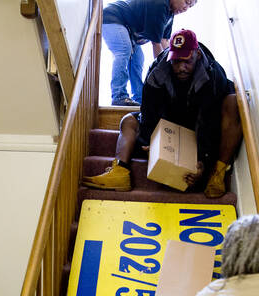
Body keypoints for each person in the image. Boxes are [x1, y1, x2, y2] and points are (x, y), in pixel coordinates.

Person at [84, 28, 242, 198]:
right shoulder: (157, 71)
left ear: (197, 54)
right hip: (171, 126)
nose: (181, 67)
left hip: (202, 130)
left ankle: (217, 174)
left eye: (187, 61)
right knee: (128, 121)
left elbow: (209, 124)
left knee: (232, 102)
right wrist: (153, 143)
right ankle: (120, 171)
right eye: (176, 61)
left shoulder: (214, 74)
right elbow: (148, 113)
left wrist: (203, 162)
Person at [102, 0, 197, 106]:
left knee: (138, 60)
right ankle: (119, 96)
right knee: (124, 49)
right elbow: (156, 44)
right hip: (113, 16)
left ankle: (139, 99)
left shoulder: (169, 15)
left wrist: (171, 66)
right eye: (187, 2)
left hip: (129, 29)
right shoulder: (160, 4)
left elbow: (164, 42)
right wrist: (163, 72)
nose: (186, 8)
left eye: (190, 6)